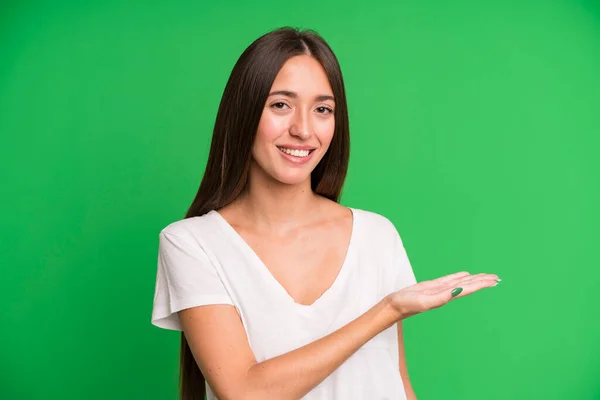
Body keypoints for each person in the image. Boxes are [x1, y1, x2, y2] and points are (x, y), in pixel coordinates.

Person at [150, 27, 500, 400]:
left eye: (322, 109)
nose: (303, 130)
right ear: (244, 112)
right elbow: (244, 391)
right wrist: (388, 310)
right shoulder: (192, 243)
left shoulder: (377, 235)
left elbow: (395, 382)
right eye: (280, 105)